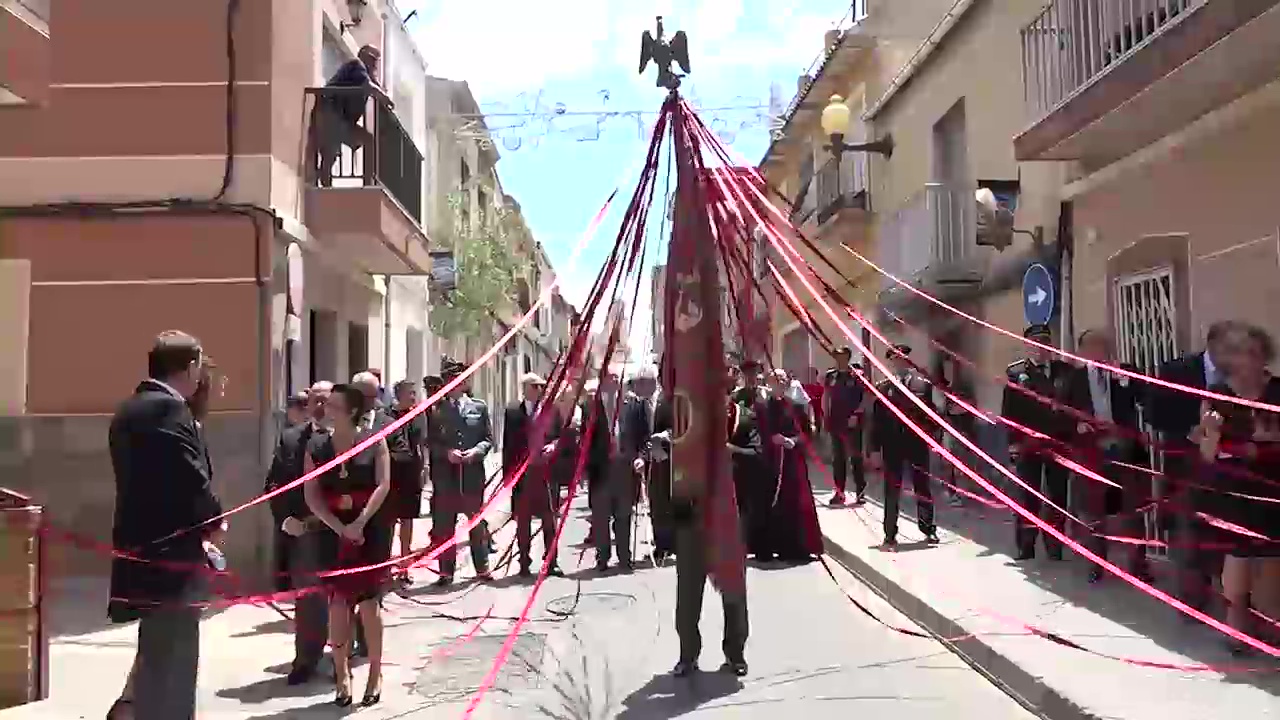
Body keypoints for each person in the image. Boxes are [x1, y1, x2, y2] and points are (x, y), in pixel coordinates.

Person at [106, 331, 224, 720]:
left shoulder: (131, 408)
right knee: (172, 665)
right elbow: (190, 481)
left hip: (143, 558)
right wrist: (214, 522)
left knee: (157, 656)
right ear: (190, 367)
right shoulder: (168, 410)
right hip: (170, 563)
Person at [1191, 324, 1280, 653]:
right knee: (1238, 555)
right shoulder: (1218, 397)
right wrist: (1211, 432)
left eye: (1252, 352)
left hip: (1273, 487)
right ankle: (1236, 626)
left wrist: (1264, 443)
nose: (1245, 360)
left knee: (1271, 557)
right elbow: (1206, 449)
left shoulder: (1278, 391)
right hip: (1234, 490)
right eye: (1238, 353)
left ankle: (1271, 623)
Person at [303, 384, 392, 707]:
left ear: (352, 411)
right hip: (332, 533)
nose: (327, 408)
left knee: (370, 605)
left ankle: (375, 673)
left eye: (334, 405)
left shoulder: (374, 441)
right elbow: (311, 494)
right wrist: (339, 527)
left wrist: (358, 523)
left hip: (370, 532)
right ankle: (342, 675)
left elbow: (383, 485)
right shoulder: (316, 446)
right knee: (338, 604)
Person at [1150, 321, 1237, 611]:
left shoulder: (1241, 375)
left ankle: (1229, 600)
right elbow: (1154, 413)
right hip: (1185, 469)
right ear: (1212, 345)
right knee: (1187, 536)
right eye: (1228, 347)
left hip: (1229, 472)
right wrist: (1189, 430)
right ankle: (1191, 602)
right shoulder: (1176, 371)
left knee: (1226, 538)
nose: (1234, 354)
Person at [1064, 329, 1152, 584]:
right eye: (1092, 347)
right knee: (1094, 513)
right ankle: (1097, 564)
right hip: (1092, 453)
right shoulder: (1074, 379)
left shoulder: (1126, 371)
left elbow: (1146, 401)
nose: (1099, 351)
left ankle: (1138, 565)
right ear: (1082, 352)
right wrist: (1076, 427)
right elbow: (1060, 412)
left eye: (1103, 346)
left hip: (1126, 452)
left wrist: (1127, 380)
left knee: (1132, 512)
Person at [265, 381, 333, 684]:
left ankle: (349, 658)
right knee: (308, 600)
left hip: (341, 531)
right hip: (305, 531)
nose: (320, 406)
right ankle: (306, 659)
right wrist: (285, 519)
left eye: (326, 401)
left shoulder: (351, 437)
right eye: (315, 401)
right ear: (306, 406)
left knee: (347, 597)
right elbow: (274, 484)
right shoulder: (291, 439)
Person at [1002, 324, 1075, 561]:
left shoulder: (1066, 371)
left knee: (1057, 496)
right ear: (1027, 346)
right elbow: (1009, 410)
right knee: (1028, 495)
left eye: (1044, 343)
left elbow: (1073, 407)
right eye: (1035, 344)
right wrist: (1013, 445)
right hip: (1028, 443)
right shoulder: (1016, 373)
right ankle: (1026, 545)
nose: (1040, 348)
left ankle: (1055, 545)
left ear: (1051, 346)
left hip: (1058, 442)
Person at [426, 360, 495, 586]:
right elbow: (429, 442)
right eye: (454, 379)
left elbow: (488, 439)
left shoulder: (479, 406)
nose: (458, 383)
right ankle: (446, 572)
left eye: (462, 379)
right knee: (445, 526)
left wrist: (476, 451)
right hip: (446, 477)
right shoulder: (435, 408)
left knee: (476, 524)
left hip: (472, 475)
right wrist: (446, 452)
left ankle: (482, 568)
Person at [870, 344, 940, 547]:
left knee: (922, 488)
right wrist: (874, 449)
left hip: (916, 444)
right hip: (892, 446)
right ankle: (890, 533)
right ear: (890, 362)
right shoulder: (883, 387)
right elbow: (876, 420)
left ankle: (928, 529)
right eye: (895, 358)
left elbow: (932, 414)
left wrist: (934, 438)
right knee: (891, 490)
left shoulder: (922, 384)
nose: (899, 362)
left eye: (902, 357)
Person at [752, 369, 824, 562]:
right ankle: (767, 547)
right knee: (769, 501)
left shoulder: (795, 407)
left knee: (794, 502)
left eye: (782, 380)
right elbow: (757, 431)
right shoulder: (762, 407)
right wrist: (771, 438)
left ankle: (795, 547)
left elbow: (806, 433)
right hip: (770, 461)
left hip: (792, 462)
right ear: (769, 383)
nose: (779, 383)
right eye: (775, 380)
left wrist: (793, 440)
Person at [503, 373, 564, 578]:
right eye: (535, 386)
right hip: (523, 475)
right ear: (525, 388)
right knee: (523, 523)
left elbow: (560, 437)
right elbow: (508, 445)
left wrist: (553, 446)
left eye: (541, 386)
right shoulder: (513, 412)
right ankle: (524, 562)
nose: (539, 390)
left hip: (546, 474)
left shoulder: (551, 410)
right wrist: (508, 477)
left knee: (549, 520)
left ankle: (551, 561)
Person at [311, 45, 390, 187]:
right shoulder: (357, 65)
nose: (375, 66)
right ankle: (367, 183)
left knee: (331, 153)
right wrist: (384, 97)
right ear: (366, 58)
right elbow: (369, 86)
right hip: (331, 113)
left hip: (336, 117)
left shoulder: (363, 73)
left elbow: (373, 85)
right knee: (363, 141)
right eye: (374, 61)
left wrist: (381, 92)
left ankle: (326, 183)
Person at [585, 369, 637, 572]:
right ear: (602, 381)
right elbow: (585, 442)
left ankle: (624, 558)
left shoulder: (631, 406)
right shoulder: (592, 407)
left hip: (624, 470)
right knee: (601, 517)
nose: (614, 380)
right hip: (601, 470)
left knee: (624, 516)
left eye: (617, 377)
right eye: (610, 377)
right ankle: (603, 557)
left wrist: (640, 458)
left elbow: (640, 436)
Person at [385, 380, 427, 588]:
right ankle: (385, 565)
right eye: (409, 393)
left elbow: (423, 443)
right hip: (390, 475)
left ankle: (405, 563)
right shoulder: (386, 416)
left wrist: (424, 467)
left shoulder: (418, 415)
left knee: (408, 518)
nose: (413, 396)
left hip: (411, 473)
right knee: (389, 520)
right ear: (398, 395)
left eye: (414, 392)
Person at [823, 346, 867, 505]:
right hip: (836, 421)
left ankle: (860, 492)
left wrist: (857, 414)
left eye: (842, 356)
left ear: (848, 357)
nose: (838, 359)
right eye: (836, 356)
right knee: (838, 459)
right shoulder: (830, 375)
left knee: (855, 457)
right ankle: (839, 492)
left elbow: (866, 397)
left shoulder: (857, 375)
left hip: (853, 422)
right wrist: (825, 415)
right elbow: (826, 395)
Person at [727, 362, 766, 531]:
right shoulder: (736, 396)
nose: (751, 378)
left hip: (764, 450)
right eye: (747, 375)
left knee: (762, 497)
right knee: (742, 497)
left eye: (754, 374)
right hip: (742, 450)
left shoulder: (766, 395)